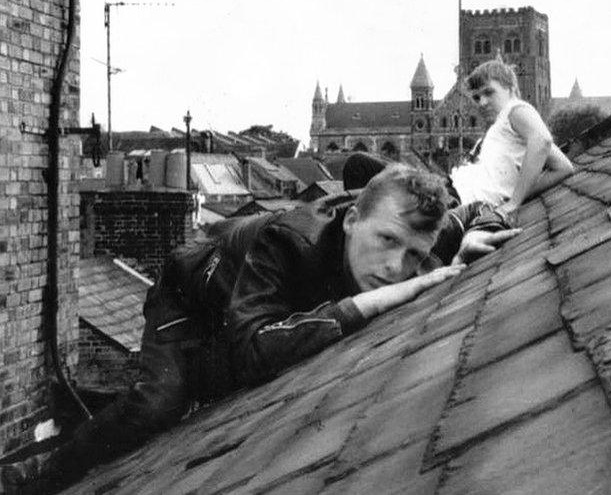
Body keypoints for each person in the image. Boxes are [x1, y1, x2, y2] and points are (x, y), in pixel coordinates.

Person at [5, 164, 517, 493]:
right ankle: (43, 480)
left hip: (253, 309)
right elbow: (253, 348)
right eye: (386, 241)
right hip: (193, 297)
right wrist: (371, 301)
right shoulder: (288, 241)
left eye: (414, 257)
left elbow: (477, 207)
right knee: (158, 404)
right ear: (351, 219)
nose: (396, 266)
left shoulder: (421, 230)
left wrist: (478, 234)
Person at [451, 59, 575, 220]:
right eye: (476, 98)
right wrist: (515, 195)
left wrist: (515, 201)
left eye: (489, 92)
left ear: (510, 88)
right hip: (457, 196)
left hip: (458, 199)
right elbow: (563, 167)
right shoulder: (506, 123)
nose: (482, 103)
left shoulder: (515, 109)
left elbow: (543, 141)